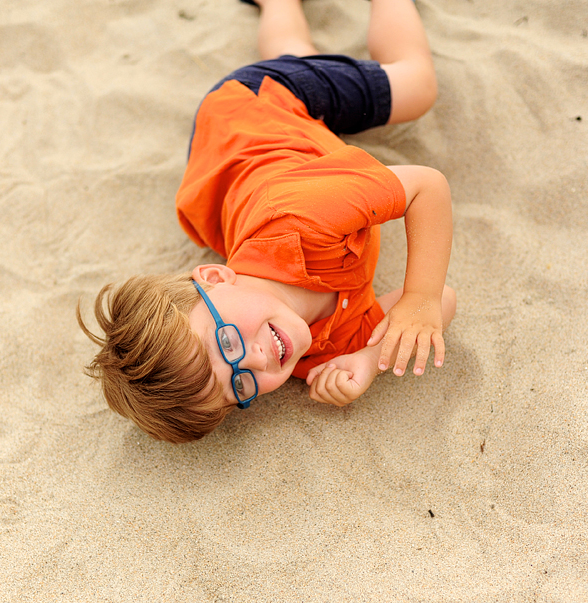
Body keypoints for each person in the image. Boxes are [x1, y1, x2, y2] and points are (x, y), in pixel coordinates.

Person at [78, 0, 456, 443]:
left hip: (259, 105)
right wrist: (369, 360)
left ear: (217, 276)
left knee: (416, 86)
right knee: (294, 50)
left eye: (227, 342)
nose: (257, 361)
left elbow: (427, 187)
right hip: (232, 166)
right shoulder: (312, 352)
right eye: (239, 387)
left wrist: (420, 296)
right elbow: (445, 301)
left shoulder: (304, 219)